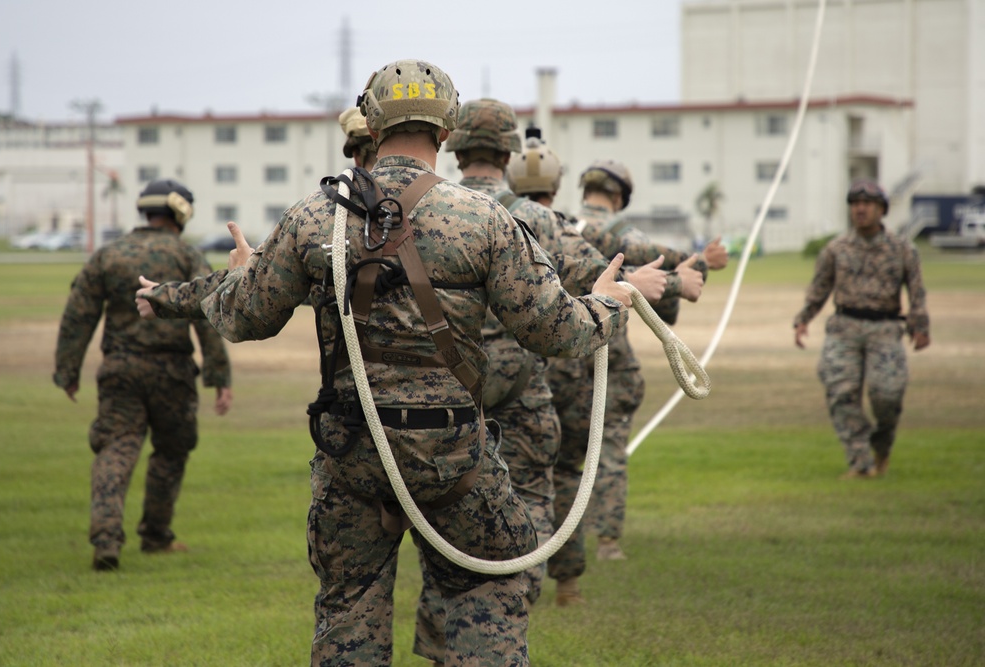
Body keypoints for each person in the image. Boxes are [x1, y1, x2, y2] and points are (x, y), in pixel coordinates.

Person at [135, 59, 635, 666]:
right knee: (490, 587)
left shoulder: (317, 215)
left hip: (353, 454)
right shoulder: (486, 220)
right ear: (445, 129)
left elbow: (245, 318)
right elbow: (557, 331)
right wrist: (610, 306)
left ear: (370, 124)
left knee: (350, 609)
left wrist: (236, 279)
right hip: (454, 455)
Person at [408, 98, 672, 662]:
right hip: (522, 396)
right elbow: (600, 272)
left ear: (454, 148)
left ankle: (437, 647)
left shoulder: (419, 209)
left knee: (444, 530)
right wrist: (647, 280)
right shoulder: (535, 218)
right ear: (508, 153)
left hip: (438, 399)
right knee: (525, 511)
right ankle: (505, 629)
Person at [534, 157, 724, 604]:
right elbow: (669, 265)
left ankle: (546, 552)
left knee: (556, 461)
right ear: (621, 194)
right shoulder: (621, 232)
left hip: (558, 356)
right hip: (606, 358)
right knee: (609, 446)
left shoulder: (562, 223)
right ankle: (608, 541)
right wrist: (705, 263)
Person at [53, 178, 233, 572]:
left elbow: (78, 314)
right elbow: (209, 311)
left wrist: (67, 370)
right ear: (181, 213)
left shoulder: (108, 254)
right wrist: (219, 377)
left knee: (115, 449)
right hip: (173, 372)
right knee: (171, 452)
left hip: (120, 369)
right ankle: (155, 535)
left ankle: (105, 539)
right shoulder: (186, 255)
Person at [793, 179, 930, 478]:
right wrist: (803, 319)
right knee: (840, 392)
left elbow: (917, 293)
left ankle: (882, 445)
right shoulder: (835, 249)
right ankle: (860, 462)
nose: (861, 209)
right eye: (855, 204)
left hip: (885, 327)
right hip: (844, 327)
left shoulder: (903, 249)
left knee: (887, 395)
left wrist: (920, 326)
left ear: (882, 209)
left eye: (867, 204)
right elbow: (819, 288)